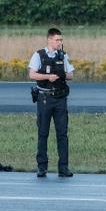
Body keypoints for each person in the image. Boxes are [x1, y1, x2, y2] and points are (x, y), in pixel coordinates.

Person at [29, 28, 74, 178]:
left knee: (62, 134)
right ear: (49, 40)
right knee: (43, 133)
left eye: (61, 40)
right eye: (57, 40)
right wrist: (48, 77)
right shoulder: (39, 55)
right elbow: (32, 74)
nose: (60, 42)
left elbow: (71, 75)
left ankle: (63, 167)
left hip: (60, 99)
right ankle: (42, 167)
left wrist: (62, 74)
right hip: (45, 98)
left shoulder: (64, 55)